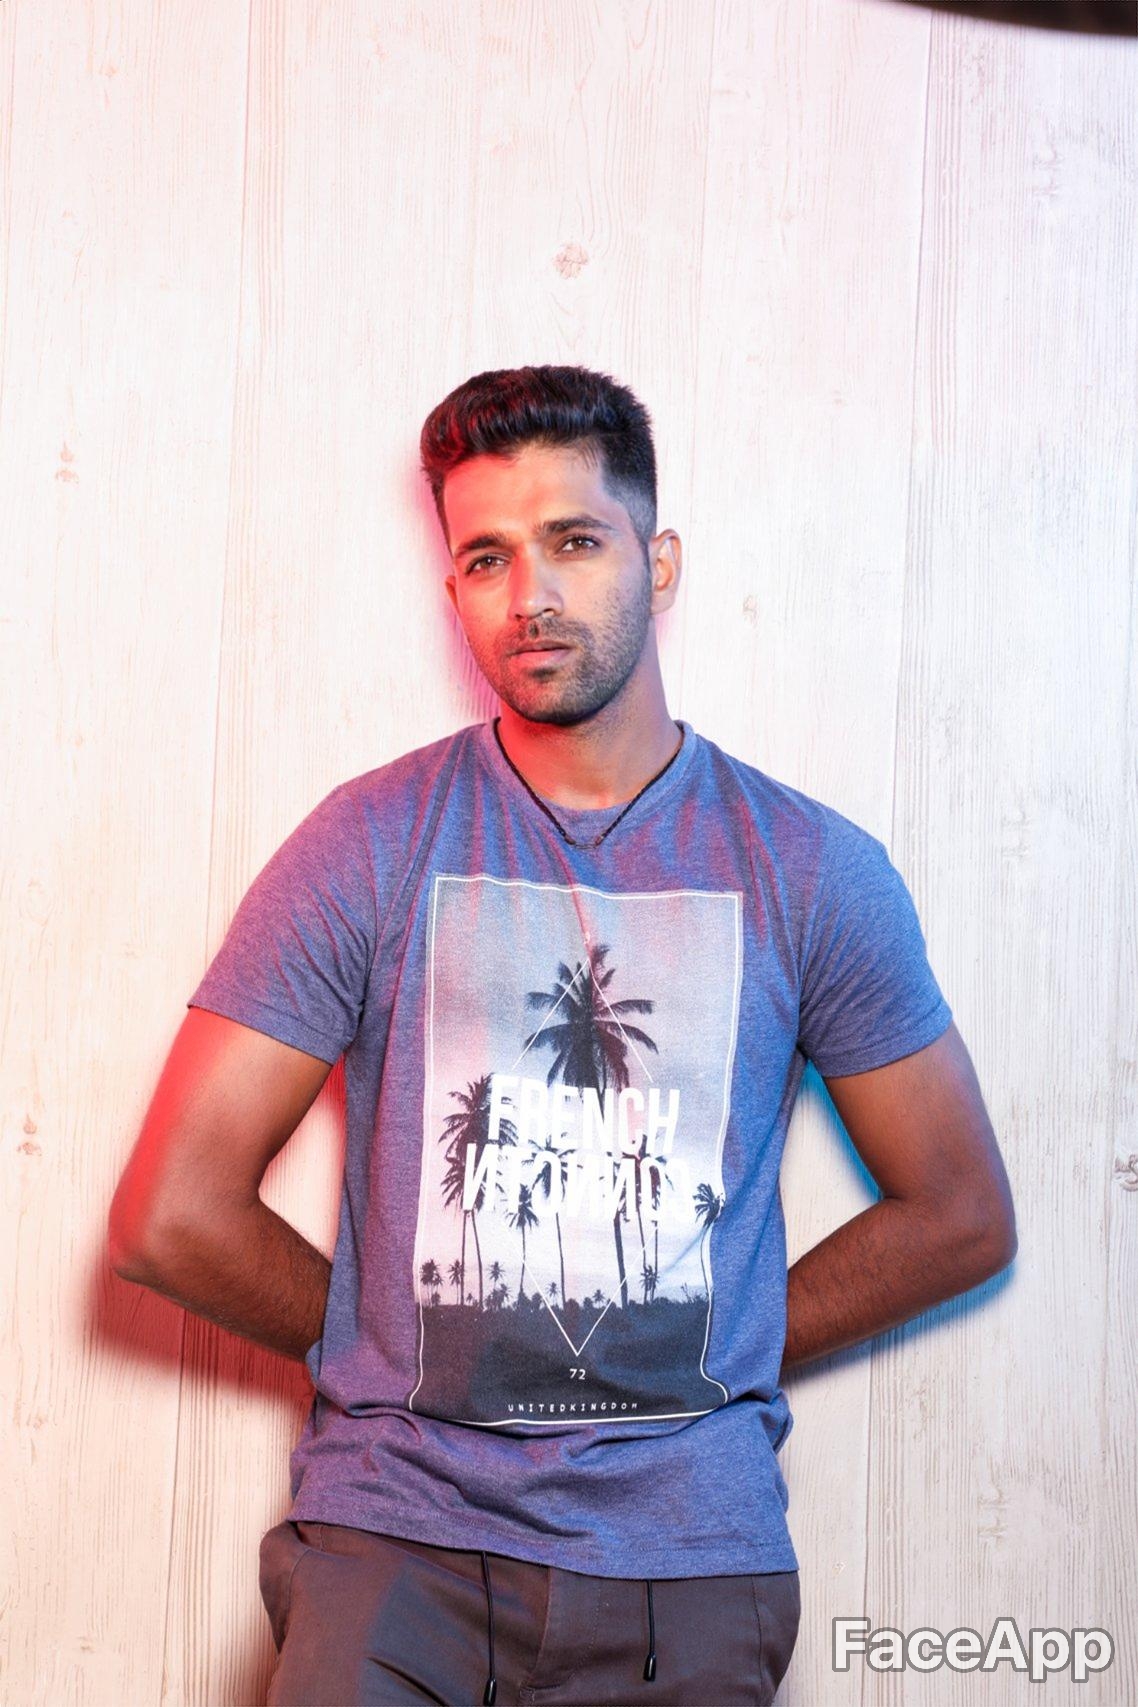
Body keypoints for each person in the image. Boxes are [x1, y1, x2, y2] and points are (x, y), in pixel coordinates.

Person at [108, 364, 1017, 1706]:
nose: (529, 594)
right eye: (487, 557)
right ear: (454, 590)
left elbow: (959, 1215)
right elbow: (170, 1216)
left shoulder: (809, 869)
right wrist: (428, 1345)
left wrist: (681, 1347)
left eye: (574, 542)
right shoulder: (368, 844)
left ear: (659, 563)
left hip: (685, 1568)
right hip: (395, 1545)